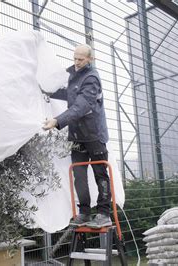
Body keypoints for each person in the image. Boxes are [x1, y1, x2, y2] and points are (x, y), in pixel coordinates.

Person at [43, 44, 112, 228]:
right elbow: (67, 93)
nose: (76, 62)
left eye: (81, 59)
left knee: (100, 173)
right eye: (74, 58)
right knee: (79, 174)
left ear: (90, 59)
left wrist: (57, 121)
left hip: (94, 135)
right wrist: (45, 88)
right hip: (77, 135)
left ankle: (104, 213)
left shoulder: (91, 78)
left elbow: (81, 105)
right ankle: (84, 212)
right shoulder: (72, 73)